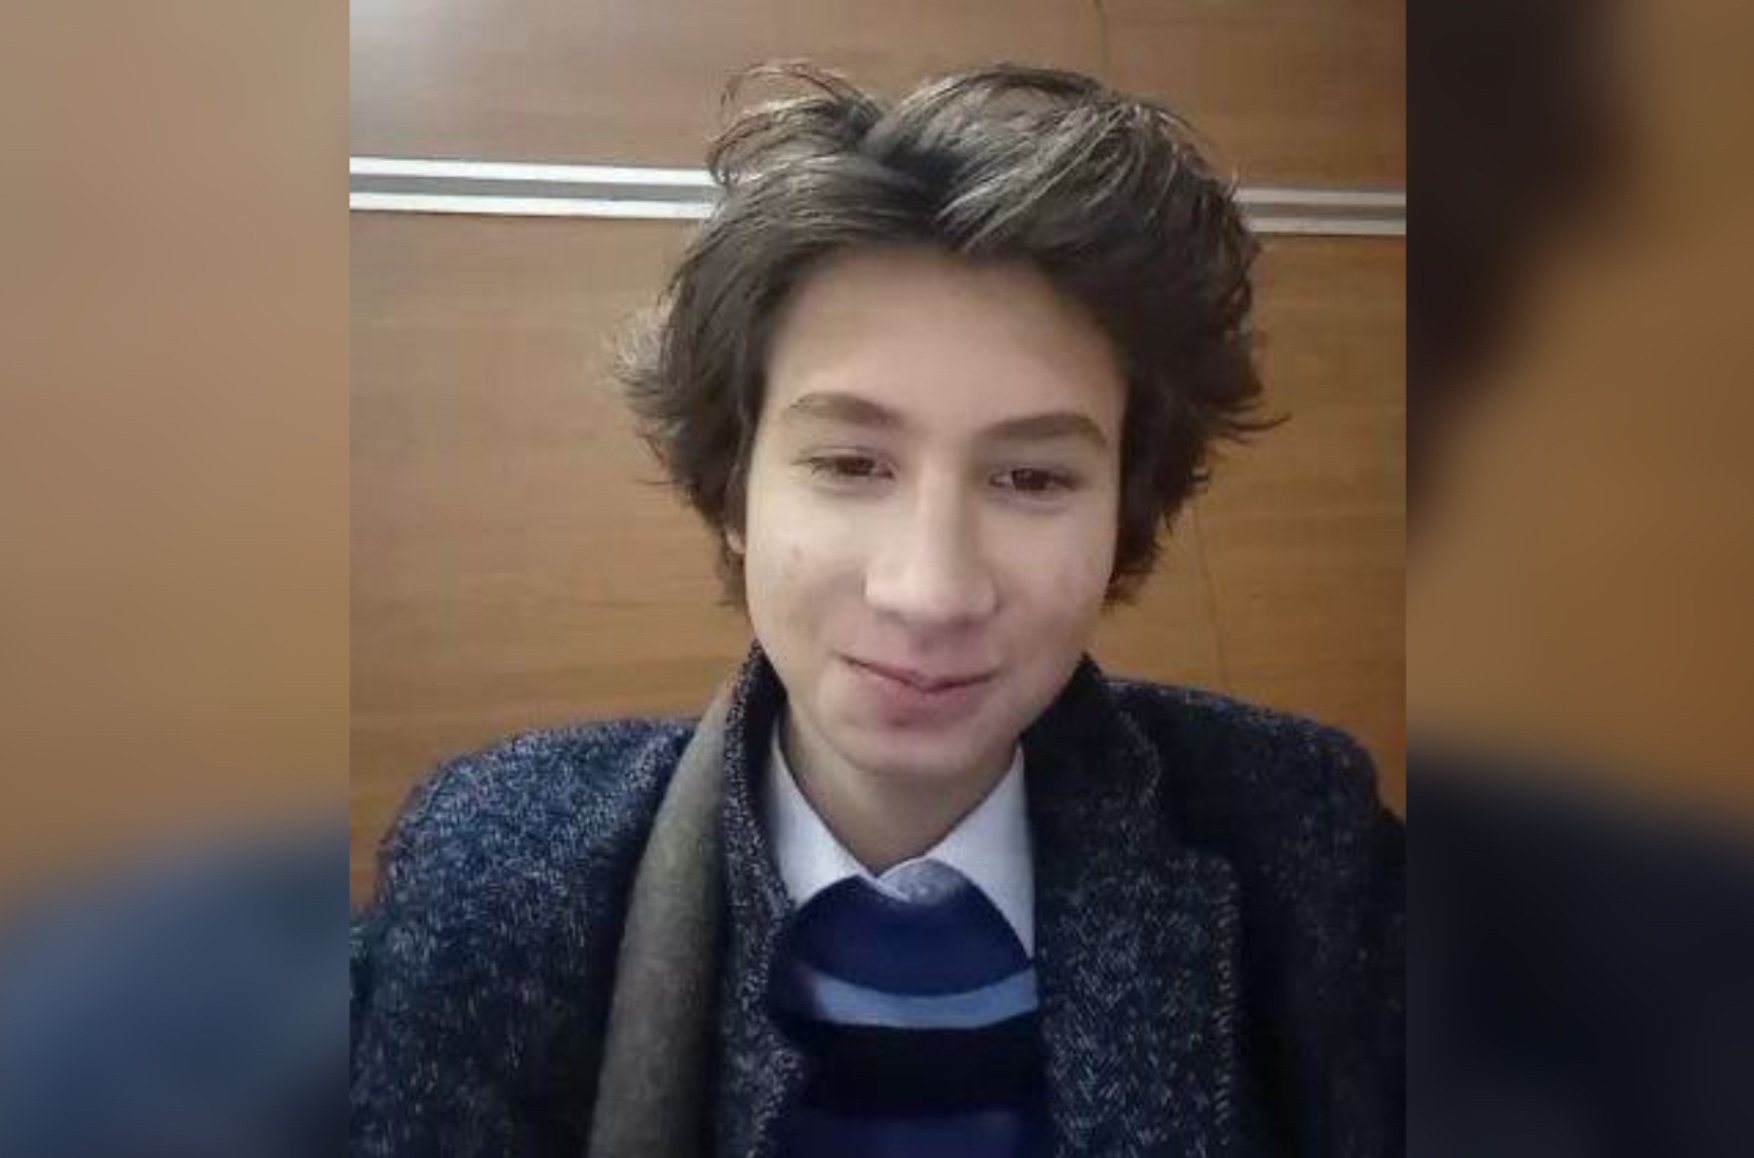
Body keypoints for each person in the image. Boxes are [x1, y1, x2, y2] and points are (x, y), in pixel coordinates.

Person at [350, 62, 1404, 1158]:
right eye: (851, 464)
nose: (930, 591)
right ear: (735, 493)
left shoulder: (1296, 833)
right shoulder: (494, 865)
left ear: (1123, 519)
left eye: (1032, 479)